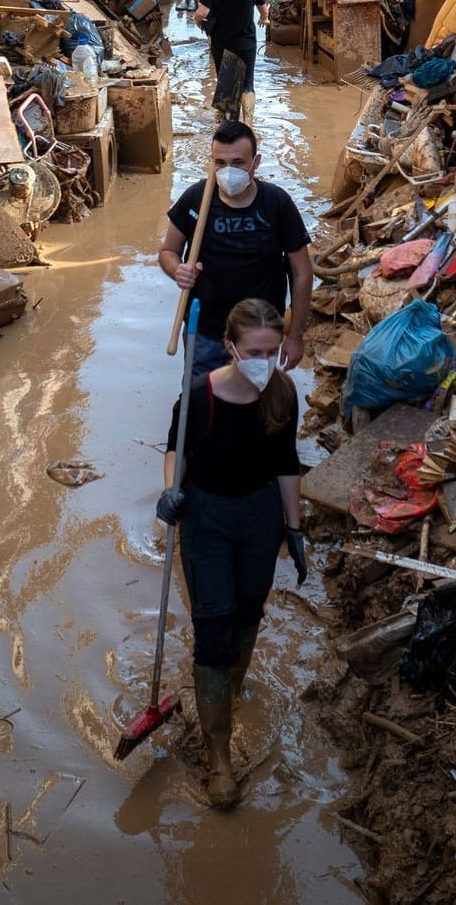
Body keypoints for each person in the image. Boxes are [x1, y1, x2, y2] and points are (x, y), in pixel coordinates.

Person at [156, 298, 307, 808]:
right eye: (254, 351)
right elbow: (175, 448)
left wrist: (296, 530)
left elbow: (287, 463)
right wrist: (169, 491)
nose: (264, 360)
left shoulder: (282, 394)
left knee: (248, 614)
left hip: (260, 517)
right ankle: (218, 754)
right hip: (208, 519)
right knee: (215, 627)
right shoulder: (202, 395)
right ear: (231, 348)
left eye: (272, 350)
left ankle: (228, 689)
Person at [159, 120, 312, 376]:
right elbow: (167, 252)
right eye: (220, 163)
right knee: (201, 403)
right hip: (206, 331)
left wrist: (295, 336)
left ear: (256, 162)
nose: (228, 171)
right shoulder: (195, 199)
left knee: (257, 405)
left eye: (238, 163)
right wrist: (178, 271)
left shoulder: (277, 204)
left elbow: (302, 273)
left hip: (260, 337)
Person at [195, 0, 268, 125]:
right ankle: (248, 124)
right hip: (246, 43)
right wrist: (264, 18)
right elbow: (263, 7)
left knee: (226, 81)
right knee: (248, 84)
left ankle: (228, 121)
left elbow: (201, 13)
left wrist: (199, 23)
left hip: (222, 43)